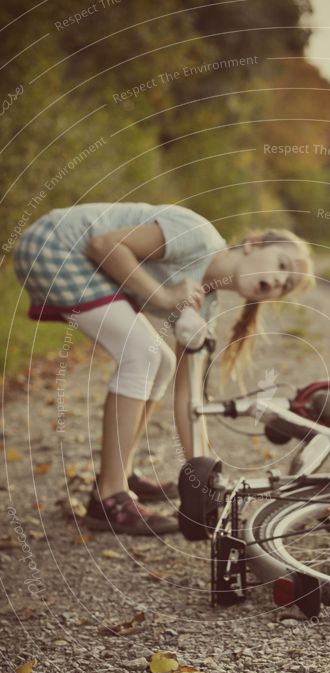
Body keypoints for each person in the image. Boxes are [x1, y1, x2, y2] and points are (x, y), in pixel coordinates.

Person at [14, 202, 314, 536]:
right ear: (252, 245)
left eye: (285, 285)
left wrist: (205, 476)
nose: (276, 280)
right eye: (281, 265)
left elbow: (190, 398)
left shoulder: (206, 304)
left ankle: (120, 473)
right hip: (54, 246)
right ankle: (110, 497)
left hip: (83, 262)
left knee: (164, 362)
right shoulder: (197, 238)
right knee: (140, 353)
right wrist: (163, 295)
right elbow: (103, 245)